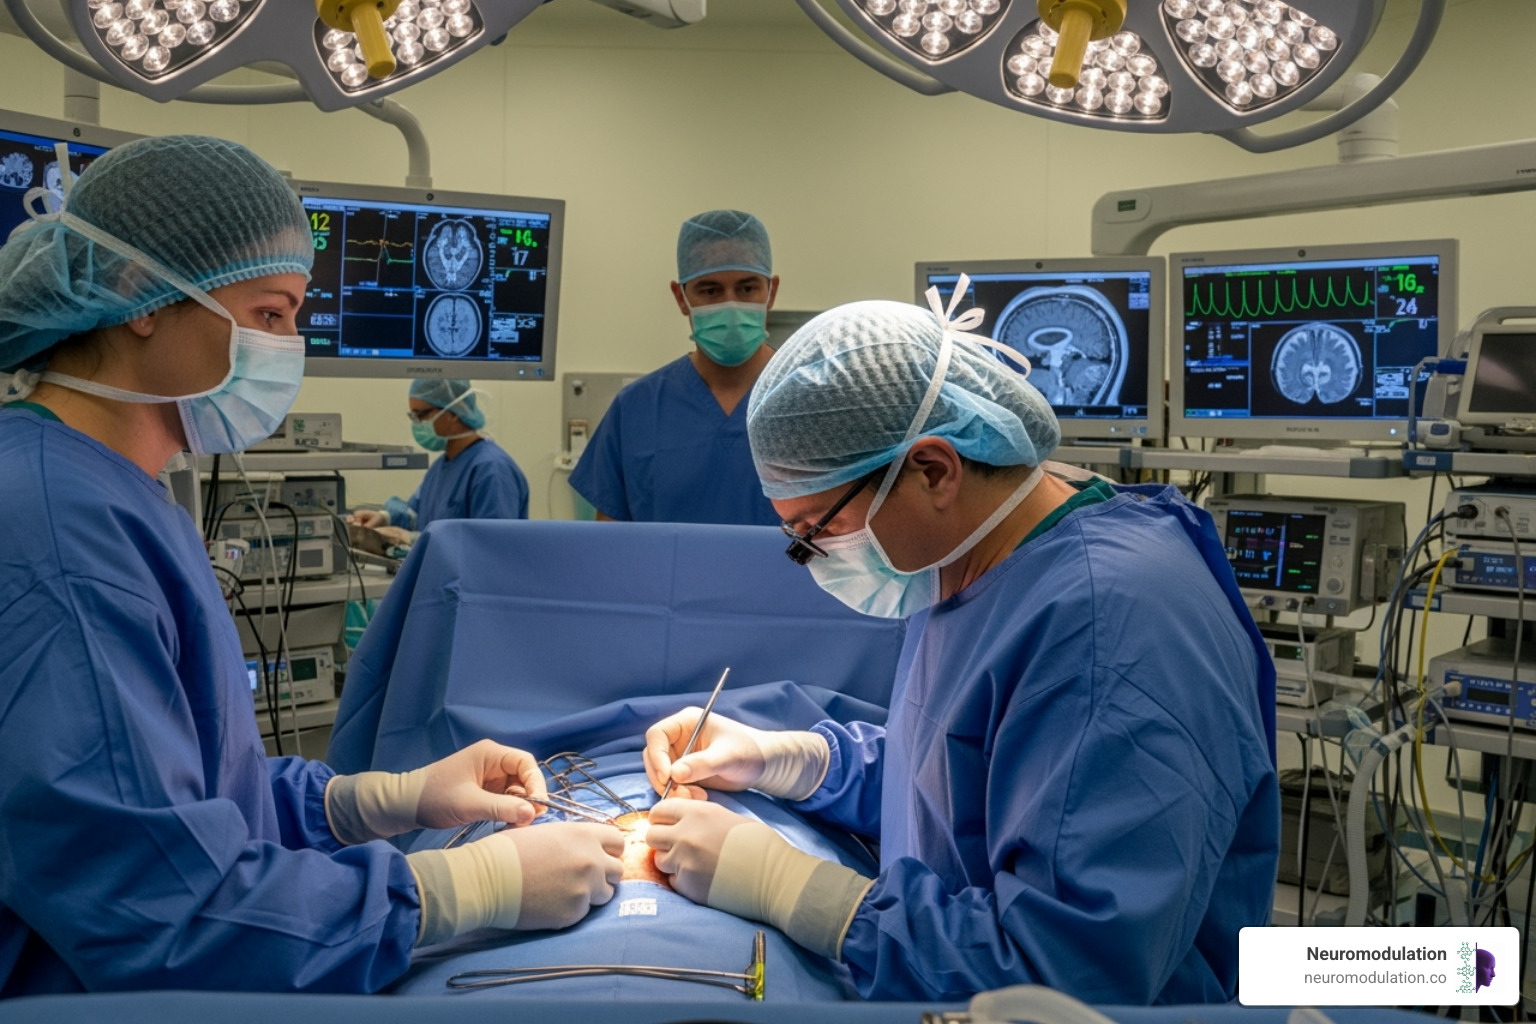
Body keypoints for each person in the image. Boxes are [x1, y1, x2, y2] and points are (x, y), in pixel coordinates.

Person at [0, 136, 622, 997]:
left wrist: (383, 801)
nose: (289, 346)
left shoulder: (126, 495)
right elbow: (156, 904)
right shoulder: (57, 531)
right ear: (142, 297)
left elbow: (214, 795)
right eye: (270, 314)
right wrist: (464, 887)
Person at [640, 289, 1280, 1004]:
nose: (812, 556)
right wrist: (791, 761)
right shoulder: (971, 560)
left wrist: (794, 888)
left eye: (815, 531)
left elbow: (1062, 976)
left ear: (934, 470)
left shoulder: (1114, 628)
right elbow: (961, 776)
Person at [568, 209, 780, 526]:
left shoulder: (813, 401)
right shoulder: (636, 409)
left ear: (771, 292)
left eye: (747, 289)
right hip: (660, 579)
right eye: (710, 291)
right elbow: (609, 545)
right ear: (681, 298)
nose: (730, 303)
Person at [349, 378, 529, 547]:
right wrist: (385, 518)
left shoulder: (492, 470)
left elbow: (491, 545)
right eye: (413, 416)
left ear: (454, 413)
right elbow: (417, 514)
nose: (417, 424)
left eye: (421, 415)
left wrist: (412, 539)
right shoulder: (442, 466)